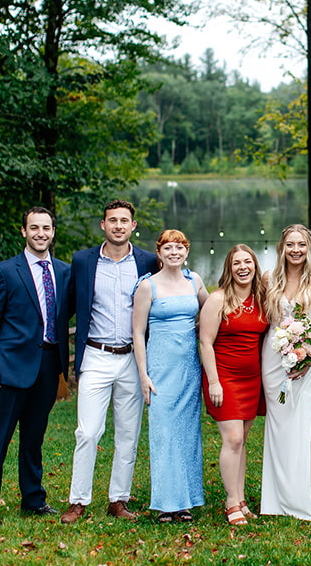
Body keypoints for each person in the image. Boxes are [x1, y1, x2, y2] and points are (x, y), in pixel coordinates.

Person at [0, 206, 72, 527]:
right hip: (11, 366)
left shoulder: (64, 271)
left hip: (48, 364)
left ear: (52, 232)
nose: (40, 233)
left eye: (46, 228)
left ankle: (33, 499)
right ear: (23, 231)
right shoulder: (6, 271)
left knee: (34, 438)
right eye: (34, 228)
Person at [60, 200, 158, 524]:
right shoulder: (83, 261)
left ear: (133, 226)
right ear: (103, 225)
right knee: (87, 432)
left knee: (128, 434)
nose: (118, 226)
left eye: (124, 221)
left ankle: (118, 499)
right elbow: (68, 308)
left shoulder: (147, 261)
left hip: (132, 357)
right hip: (96, 356)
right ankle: (78, 501)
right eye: (112, 220)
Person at [259, 224, 311, 520]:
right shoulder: (269, 278)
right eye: (290, 245)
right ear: (282, 247)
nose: (296, 250)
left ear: (309, 248)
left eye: (301, 245)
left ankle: (310, 491)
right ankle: (280, 494)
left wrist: (307, 355)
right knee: (280, 426)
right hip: (273, 361)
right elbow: (261, 319)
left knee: (305, 423)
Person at [132, 229, 208, 523]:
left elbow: (211, 310)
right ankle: (166, 503)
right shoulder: (147, 286)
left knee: (188, 434)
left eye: (180, 248)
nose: (174, 252)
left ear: (186, 251)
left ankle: (186, 500)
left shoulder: (195, 281)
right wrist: (143, 374)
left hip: (189, 367)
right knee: (164, 434)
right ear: (159, 253)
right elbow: (138, 333)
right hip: (160, 369)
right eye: (168, 248)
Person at [200, 244, 269, 526]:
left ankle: (240, 498)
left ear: (254, 266)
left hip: (252, 379)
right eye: (237, 263)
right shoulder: (218, 300)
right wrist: (214, 381)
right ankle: (231, 503)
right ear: (229, 267)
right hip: (224, 377)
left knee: (242, 442)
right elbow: (205, 342)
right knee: (233, 439)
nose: (243, 267)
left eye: (248, 262)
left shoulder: (261, 298)